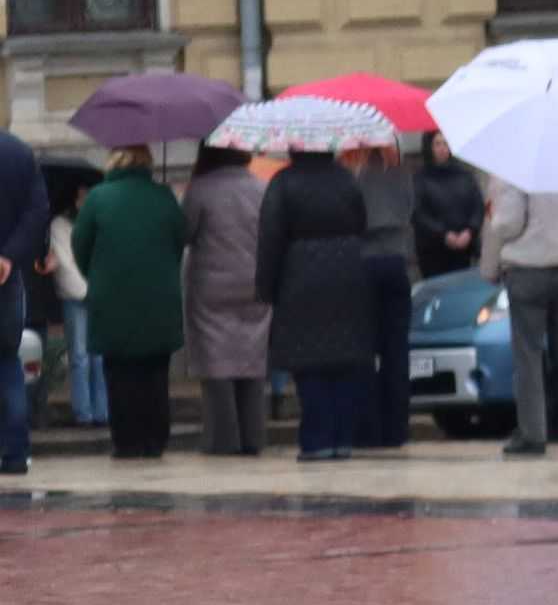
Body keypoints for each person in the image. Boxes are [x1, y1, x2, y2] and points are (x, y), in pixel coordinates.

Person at [258, 146, 376, 461]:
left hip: (300, 279)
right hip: (347, 275)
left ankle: (316, 439)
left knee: (308, 364)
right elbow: (362, 222)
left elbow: (270, 238)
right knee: (342, 361)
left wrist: (265, 289)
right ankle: (341, 438)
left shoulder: (283, 183)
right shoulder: (347, 180)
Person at [70, 147, 185, 459]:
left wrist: (97, 275)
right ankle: (155, 439)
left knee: (120, 375)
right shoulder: (163, 196)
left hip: (112, 301)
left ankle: (127, 442)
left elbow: (80, 246)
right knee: (155, 374)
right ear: (147, 163)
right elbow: (180, 240)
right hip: (159, 300)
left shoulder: (97, 198)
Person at [483, 177, 558, 455]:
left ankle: (533, 433)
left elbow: (507, 222)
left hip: (528, 268)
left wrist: (490, 264)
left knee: (528, 353)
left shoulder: (517, 168)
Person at [183, 144, 272, 455]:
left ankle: (222, 439)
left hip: (211, 288)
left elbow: (185, 232)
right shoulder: (261, 188)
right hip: (255, 283)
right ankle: (253, 437)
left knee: (217, 363)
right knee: (252, 360)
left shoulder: (201, 190)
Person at [347, 143, 416, 450]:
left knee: (365, 350)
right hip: (397, 262)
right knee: (396, 351)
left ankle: (368, 426)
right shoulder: (403, 174)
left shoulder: (358, 175)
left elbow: (354, 217)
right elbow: (410, 210)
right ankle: (397, 426)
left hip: (366, 263)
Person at [0, 122, 45, 476]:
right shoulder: (18, 152)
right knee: (7, 361)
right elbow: (37, 213)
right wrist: (9, 257)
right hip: (6, 278)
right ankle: (15, 454)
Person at [46, 172, 103, 428]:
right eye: (82, 195)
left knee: (98, 356)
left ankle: (102, 411)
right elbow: (65, 265)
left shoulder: (97, 220)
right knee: (80, 356)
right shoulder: (60, 224)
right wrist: (86, 289)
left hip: (96, 293)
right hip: (76, 295)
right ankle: (84, 412)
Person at [412, 133, 486, 282]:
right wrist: (443, 234)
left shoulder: (464, 175)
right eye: (437, 144)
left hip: (464, 248)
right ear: (429, 148)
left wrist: (470, 230)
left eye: (445, 144)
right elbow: (418, 213)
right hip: (434, 251)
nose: (442, 149)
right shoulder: (420, 178)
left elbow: (477, 205)